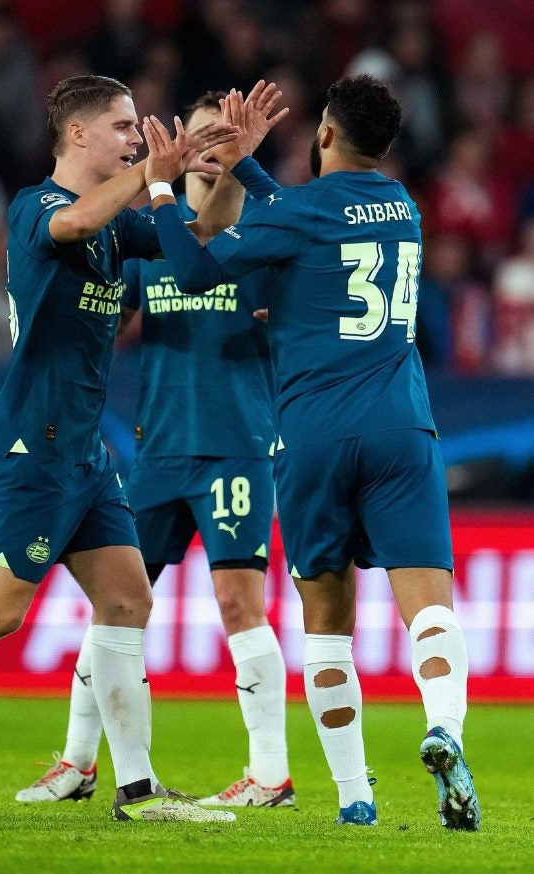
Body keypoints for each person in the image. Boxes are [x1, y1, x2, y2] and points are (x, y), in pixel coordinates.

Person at [0, 73, 257, 825]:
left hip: (85, 453)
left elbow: (197, 234)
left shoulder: (120, 229)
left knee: (128, 597)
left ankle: (136, 790)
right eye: (125, 127)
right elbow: (75, 224)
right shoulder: (39, 207)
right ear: (79, 135)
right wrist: (149, 174)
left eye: (139, 129)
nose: (137, 136)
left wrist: (222, 168)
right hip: (35, 442)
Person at [138, 75, 481, 831]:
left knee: (327, 625)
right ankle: (445, 731)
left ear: (324, 135)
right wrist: (251, 167)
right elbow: (311, 224)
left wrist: (165, 192)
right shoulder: (404, 208)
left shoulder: (298, 213)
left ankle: (356, 796)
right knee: (430, 609)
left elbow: (197, 267)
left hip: (312, 435)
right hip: (401, 427)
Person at [15, 90, 294, 809]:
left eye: (219, 139)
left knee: (240, 604)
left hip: (235, 448)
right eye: (196, 136)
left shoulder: (260, 239)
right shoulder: (151, 246)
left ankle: (270, 775)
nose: (204, 149)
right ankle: (78, 762)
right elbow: (97, 309)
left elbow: (298, 259)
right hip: (158, 455)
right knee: (116, 607)